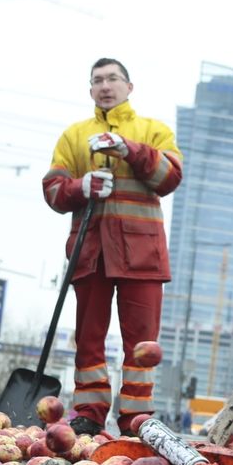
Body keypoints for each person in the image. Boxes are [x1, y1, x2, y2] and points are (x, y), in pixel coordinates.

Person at [42, 58, 182, 437]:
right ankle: (88, 411)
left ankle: (136, 417)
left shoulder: (153, 131)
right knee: (88, 336)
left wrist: (130, 151)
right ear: (90, 90)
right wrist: (80, 187)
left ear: (129, 87)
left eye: (113, 79)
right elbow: (53, 191)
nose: (105, 86)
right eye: (98, 80)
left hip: (141, 254)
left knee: (142, 342)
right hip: (91, 252)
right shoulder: (73, 137)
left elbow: (169, 177)